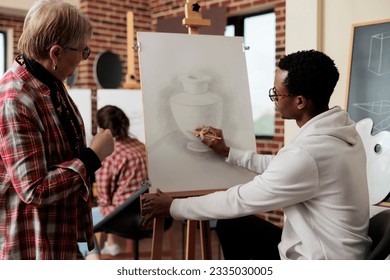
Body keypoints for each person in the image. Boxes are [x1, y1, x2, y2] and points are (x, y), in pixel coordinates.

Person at [142, 50, 372, 260]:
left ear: (300, 101)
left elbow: (238, 200)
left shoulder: (307, 154)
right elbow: (282, 166)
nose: (274, 99)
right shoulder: (341, 133)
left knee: (232, 221)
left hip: (322, 263)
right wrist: (228, 152)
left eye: (277, 94)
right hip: (340, 252)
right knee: (234, 226)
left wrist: (173, 207)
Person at [0, 0, 114, 259]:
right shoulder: (15, 98)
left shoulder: (48, 79)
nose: (84, 59)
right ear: (56, 53)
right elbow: (34, 189)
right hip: (32, 243)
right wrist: (92, 157)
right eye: (84, 51)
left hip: (58, 233)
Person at [78, 105, 148, 259]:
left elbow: (104, 198)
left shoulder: (109, 152)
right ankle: (114, 245)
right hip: (150, 214)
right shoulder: (140, 145)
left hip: (124, 218)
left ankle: (93, 260)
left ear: (101, 128)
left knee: (80, 218)